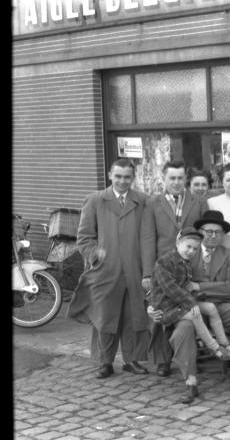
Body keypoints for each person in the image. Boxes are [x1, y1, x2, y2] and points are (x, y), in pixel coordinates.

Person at [148, 210, 230, 402]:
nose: (213, 235)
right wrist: (152, 306)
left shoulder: (229, 255)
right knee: (184, 330)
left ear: (223, 235)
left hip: (223, 304)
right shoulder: (187, 252)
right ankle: (190, 382)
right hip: (189, 306)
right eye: (208, 231)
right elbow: (164, 282)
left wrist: (199, 286)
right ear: (200, 233)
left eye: (218, 232)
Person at [67, 158, 150, 379]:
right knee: (105, 317)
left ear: (133, 177)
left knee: (134, 315)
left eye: (127, 177)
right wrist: (95, 254)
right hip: (105, 270)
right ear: (110, 175)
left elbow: (148, 235)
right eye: (119, 176)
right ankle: (105, 362)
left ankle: (132, 360)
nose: (123, 181)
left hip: (134, 268)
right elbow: (84, 237)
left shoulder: (142, 200)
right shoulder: (95, 200)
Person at [141, 159, 208, 377]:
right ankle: (162, 360)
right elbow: (148, 238)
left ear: (185, 179)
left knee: (186, 309)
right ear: (164, 178)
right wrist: (148, 273)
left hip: (188, 267)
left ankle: (191, 354)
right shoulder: (153, 203)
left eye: (180, 178)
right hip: (163, 269)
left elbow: (203, 238)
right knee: (160, 312)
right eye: (172, 178)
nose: (176, 182)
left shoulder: (197, 202)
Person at [149, 227, 230, 369]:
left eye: (195, 249)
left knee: (211, 308)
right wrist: (192, 304)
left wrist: (196, 297)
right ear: (178, 243)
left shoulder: (186, 262)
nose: (191, 251)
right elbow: (172, 290)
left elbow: (185, 287)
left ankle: (224, 343)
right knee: (196, 314)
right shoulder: (164, 262)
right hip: (166, 307)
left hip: (182, 303)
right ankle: (216, 349)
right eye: (188, 247)